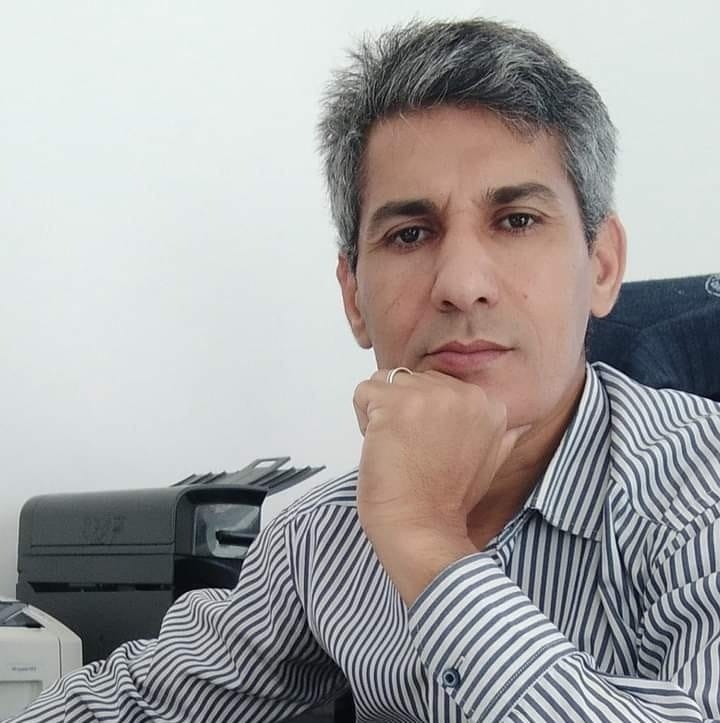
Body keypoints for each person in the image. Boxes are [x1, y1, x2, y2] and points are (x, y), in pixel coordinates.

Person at [9, 18, 720, 723]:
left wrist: (427, 543)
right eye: (410, 234)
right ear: (354, 298)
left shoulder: (697, 487)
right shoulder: (323, 538)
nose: (461, 284)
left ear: (603, 266)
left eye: (517, 221)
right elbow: (140, 702)